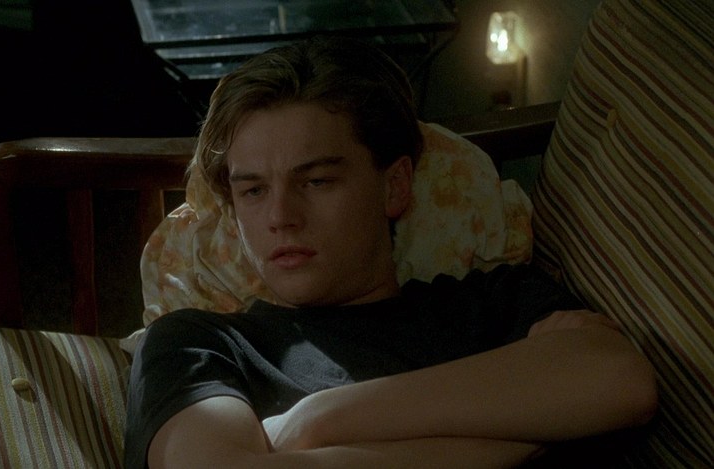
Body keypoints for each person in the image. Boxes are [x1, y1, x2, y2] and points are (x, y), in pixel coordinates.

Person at [125, 37, 657, 468]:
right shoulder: (199, 343)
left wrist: (320, 420)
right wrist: (511, 442)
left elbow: (620, 381)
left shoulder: (489, 302)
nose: (280, 216)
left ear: (395, 186)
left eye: (317, 180)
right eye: (254, 190)